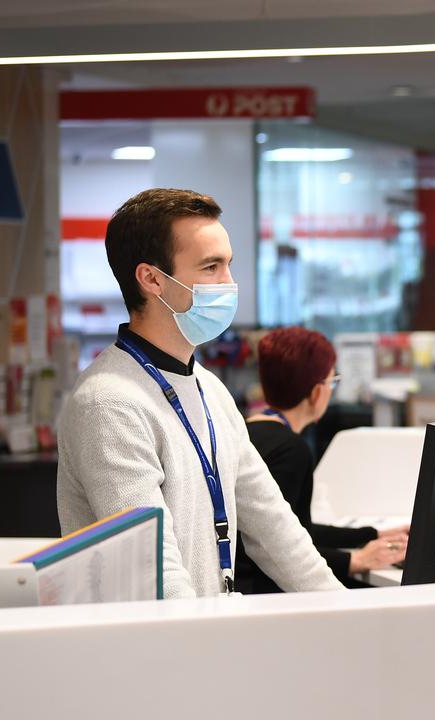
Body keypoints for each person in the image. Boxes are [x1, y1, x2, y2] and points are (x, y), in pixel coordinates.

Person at [57, 188, 342, 599]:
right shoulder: (109, 403)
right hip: (147, 650)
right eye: (210, 267)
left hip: (200, 637)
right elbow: (155, 568)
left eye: (228, 265)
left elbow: (274, 526)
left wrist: (345, 612)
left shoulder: (209, 388)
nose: (228, 283)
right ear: (151, 278)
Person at [236, 327, 411, 593]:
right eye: (332, 382)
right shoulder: (290, 451)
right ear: (317, 393)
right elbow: (281, 548)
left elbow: (296, 529)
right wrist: (357, 560)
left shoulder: (246, 432)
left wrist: (371, 535)